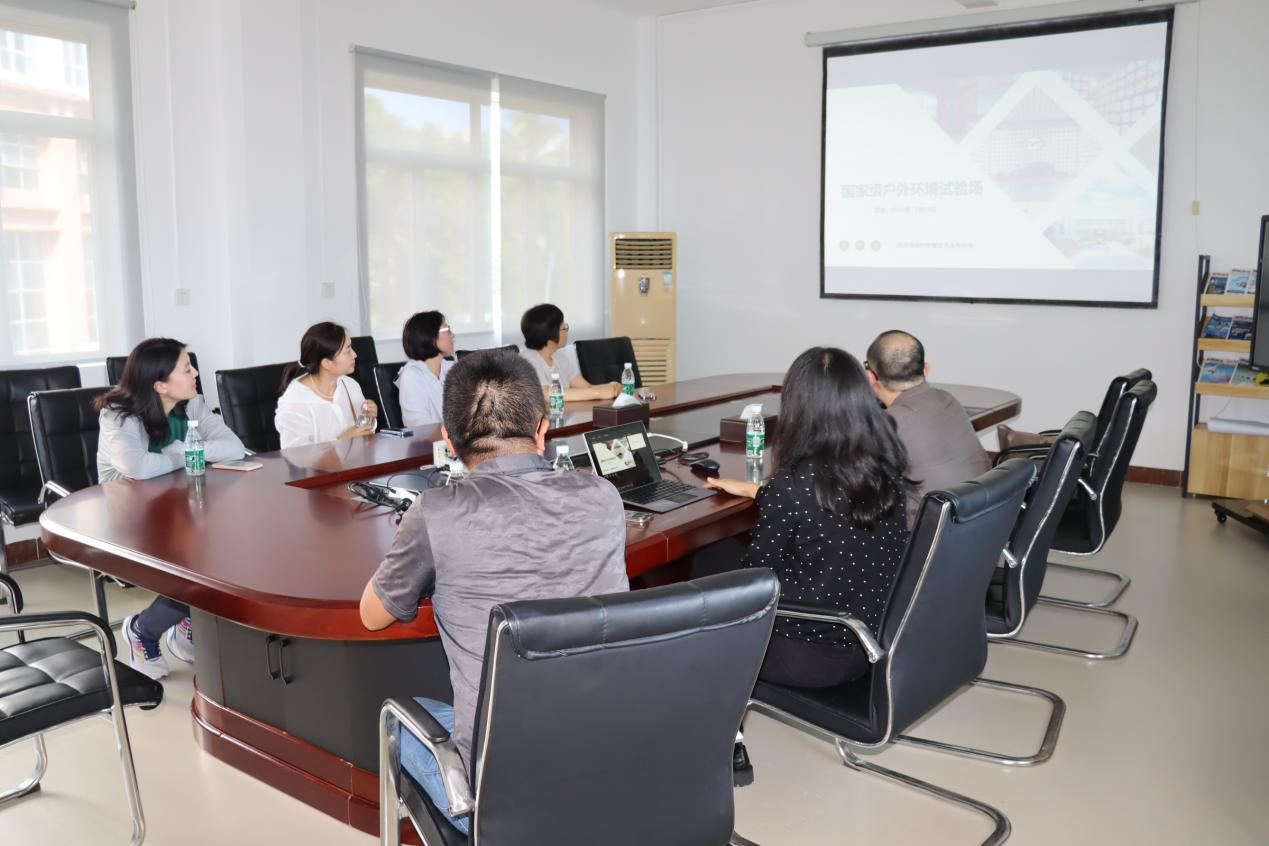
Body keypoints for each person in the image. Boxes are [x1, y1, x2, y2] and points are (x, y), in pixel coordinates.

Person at [359, 349, 628, 833]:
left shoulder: (434, 512)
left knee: (396, 722)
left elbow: (372, 615)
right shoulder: (604, 497)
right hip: (611, 765)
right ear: (542, 431)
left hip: (500, 795)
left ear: (449, 441)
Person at [694, 346, 910, 690]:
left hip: (807, 656)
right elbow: (831, 512)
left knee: (706, 560)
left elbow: (755, 580)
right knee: (718, 554)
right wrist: (762, 493)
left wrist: (773, 495)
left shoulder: (794, 485)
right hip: (871, 641)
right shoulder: (885, 465)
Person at [95, 337, 247, 679]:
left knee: (233, 547)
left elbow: (233, 447)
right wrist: (185, 453)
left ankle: (184, 623)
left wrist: (183, 451)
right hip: (129, 519)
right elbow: (137, 468)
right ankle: (143, 630)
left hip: (183, 506)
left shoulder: (191, 404)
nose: (196, 374)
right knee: (202, 561)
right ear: (160, 385)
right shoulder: (118, 414)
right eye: (187, 368)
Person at [864, 330, 990, 528]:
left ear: (871, 377)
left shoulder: (888, 424)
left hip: (928, 533)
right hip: (984, 521)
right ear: (926, 368)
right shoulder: (947, 399)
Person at [275, 322, 378, 448]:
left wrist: (368, 418)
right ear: (327, 363)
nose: (355, 355)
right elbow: (296, 456)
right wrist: (343, 440)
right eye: (348, 351)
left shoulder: (350, 385)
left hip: (356, 459)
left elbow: (361, 434)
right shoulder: (295, 401)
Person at [519, 303, 621, 401]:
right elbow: (547, 394)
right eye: (564, 328)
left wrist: (611, 387)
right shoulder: (527, 359)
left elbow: (586, 387)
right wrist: (598, 393)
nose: (567, 332)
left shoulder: (560, 357)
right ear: (550, 333)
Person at [396, 311, 454, 430]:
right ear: (430, 337)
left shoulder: (453, 368)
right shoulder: (411, 375)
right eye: (447, 329)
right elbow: (419, 425)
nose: (453, 334)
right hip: (432, 441)